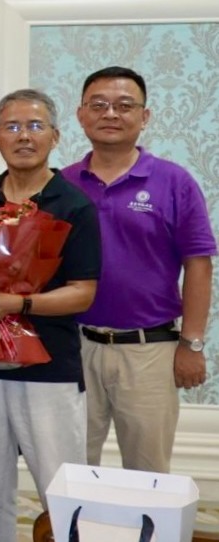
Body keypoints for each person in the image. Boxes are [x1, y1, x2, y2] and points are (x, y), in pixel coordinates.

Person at [0, 89, 100, 542]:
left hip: (49, 371)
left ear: (55, 136)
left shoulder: (73, 204)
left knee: (63, 490)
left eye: (35, 126)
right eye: (12, 127)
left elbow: (83, 293)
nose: (24, 136)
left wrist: (16, 305)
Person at [62, 67, 214, 473]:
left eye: (124, 105)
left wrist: (192, 344)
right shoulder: (63, 184)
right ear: (81, 115)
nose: (111, 113)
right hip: (75, 347)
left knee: (148, 474)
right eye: (99, 105)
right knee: (71, 467)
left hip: (150, 351)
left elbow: (198, 265)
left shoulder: (174, 181)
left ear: (144, 116)